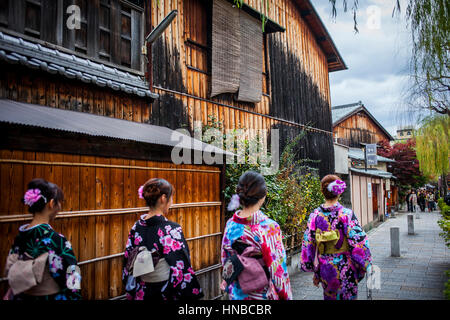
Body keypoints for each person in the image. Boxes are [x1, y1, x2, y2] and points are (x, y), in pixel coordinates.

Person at [122, 178, 203, 300]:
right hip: (164, 292)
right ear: (163, 198)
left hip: (141, 292)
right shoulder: (171, 229)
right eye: (171, 198)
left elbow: (128, 260)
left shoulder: (136, 227)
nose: (171, 202)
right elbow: (181, 268)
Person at [3, 179, 81, 300]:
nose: (60, 206)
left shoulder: (19, 237)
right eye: (59, 202)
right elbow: (72, 275)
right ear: (51, 203)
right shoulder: (55, 240)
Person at [221, 171, 292, 300]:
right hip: (262, 294)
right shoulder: (268, 227)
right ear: (262, 196)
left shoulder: (230, 224)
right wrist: (285, 295)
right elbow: (278, 269)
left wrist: (229, 285)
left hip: (237, 293)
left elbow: (225, 259)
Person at [300, 174, 372, 300]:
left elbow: (309, 243)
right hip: (346, 265)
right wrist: (365, 264)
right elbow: (359, 242)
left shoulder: (315, 215)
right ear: (339, 193)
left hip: (325, 268)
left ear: (322, 192)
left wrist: (314, 270)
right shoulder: (346, 214)